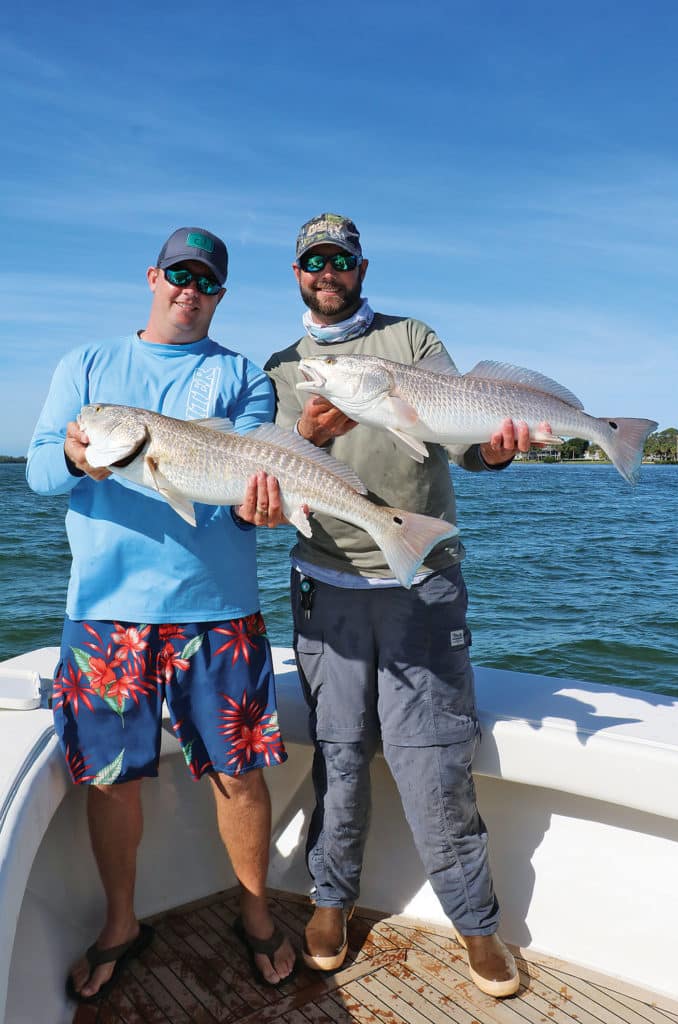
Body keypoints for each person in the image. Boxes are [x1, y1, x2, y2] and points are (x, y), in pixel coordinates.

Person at [265, 213, 548, 999]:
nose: (326, 271)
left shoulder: (413, 341)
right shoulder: (283, 366)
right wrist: (312, 440)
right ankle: (330, 902)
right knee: (340, 753)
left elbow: (462, 437)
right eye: (312, 260)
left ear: (360, 266)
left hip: (421, 577)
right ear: (296, 272)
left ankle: (476, 922)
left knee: (434, 760)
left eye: (339, 259)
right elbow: (271, 472)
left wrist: (492, 449)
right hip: (328, 580)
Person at [27, 227, 295, 1002]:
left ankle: (254, 912)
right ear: (153, 276)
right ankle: (120, 924)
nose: (190, 288)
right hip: (106, 613)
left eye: (206, 280)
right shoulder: (86, 367)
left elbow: (242, 498)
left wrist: (264, 509)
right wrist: (78, 457)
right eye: (179, 273)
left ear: (220, 293)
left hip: (220, 613)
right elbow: (44, 471)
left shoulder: (243, 377)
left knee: (239, 776)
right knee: (111, 780)